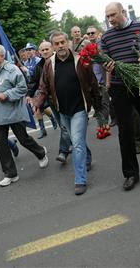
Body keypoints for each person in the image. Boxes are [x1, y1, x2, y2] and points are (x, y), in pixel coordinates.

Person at [34, 31, 102, 195]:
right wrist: (38, 102)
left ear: (68, 42)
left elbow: (92, 82)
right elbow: (44, 86)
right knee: (75, 139)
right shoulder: (49, 63)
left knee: (77, 142)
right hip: (62, 110)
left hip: (79, 108)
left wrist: (99, 108)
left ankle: (80, 180)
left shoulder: (80, 59)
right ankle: (87, 157)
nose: (60, 46)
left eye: (62, 42)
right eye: (56, 44)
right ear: (53, 47)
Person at [101, 2, 140, 191]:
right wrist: (107, 65)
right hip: (120, 87)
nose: (110, 20)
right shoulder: (107, 36)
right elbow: (104, 58)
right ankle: (130, 173)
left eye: (113, 15)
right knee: (125, 131)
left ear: (123, 12)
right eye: (107, 16)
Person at [0, 44, 49, 187]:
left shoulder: (12, 70)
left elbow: (22, 88)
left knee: (23, 139)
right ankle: (10, 174)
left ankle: (40, 153)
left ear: (2, 56)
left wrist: (6, 95)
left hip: (13, 112)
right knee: (1, 143)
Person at [26, 42, 58, 139]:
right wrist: (29, 94)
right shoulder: (27, 62)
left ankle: (52, 118)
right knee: (38, 108)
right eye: (27, 50)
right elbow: (34, 79)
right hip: (38, 89)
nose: (28, 51)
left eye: (30, 49)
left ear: (35, 51)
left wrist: (27, 71)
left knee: (41, 108)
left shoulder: (39, 61)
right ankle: (42, 129)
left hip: (48, 90)